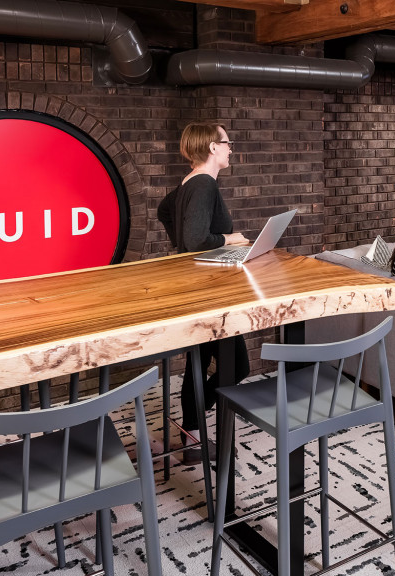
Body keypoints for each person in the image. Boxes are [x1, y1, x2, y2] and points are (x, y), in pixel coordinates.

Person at [157, 122, 251, 459]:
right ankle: (193, 427)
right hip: (210, 290)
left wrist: (182, 249)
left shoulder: (189, 184)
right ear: (213, 147)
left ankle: (192, 433)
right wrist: (230, 239)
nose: (230, 148)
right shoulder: (204, 185)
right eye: (227, 143)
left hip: (198, 285)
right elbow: (197, 239)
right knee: (237, 366)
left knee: (199, 361)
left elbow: (164, 211)